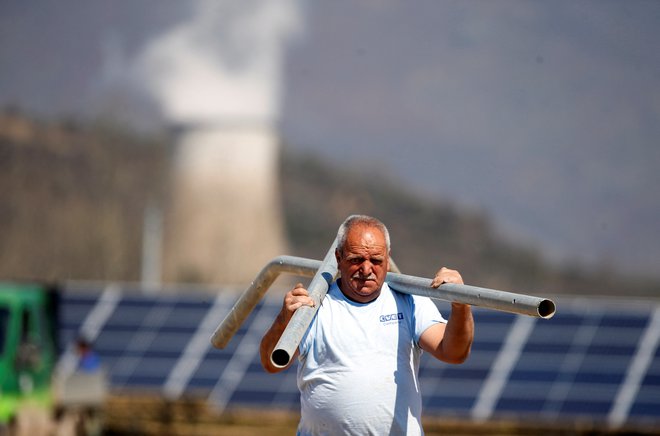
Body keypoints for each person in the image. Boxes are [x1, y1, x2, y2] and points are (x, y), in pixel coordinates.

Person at [260, 215, 474, 435]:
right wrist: (284, 319)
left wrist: (461, 304)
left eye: (376, 260)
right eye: (356, 260)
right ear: (338, 257)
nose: (366, 268)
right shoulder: (315, 305)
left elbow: (454, 352)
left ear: (388, 259)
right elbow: (271, 362)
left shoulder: (410, 301)